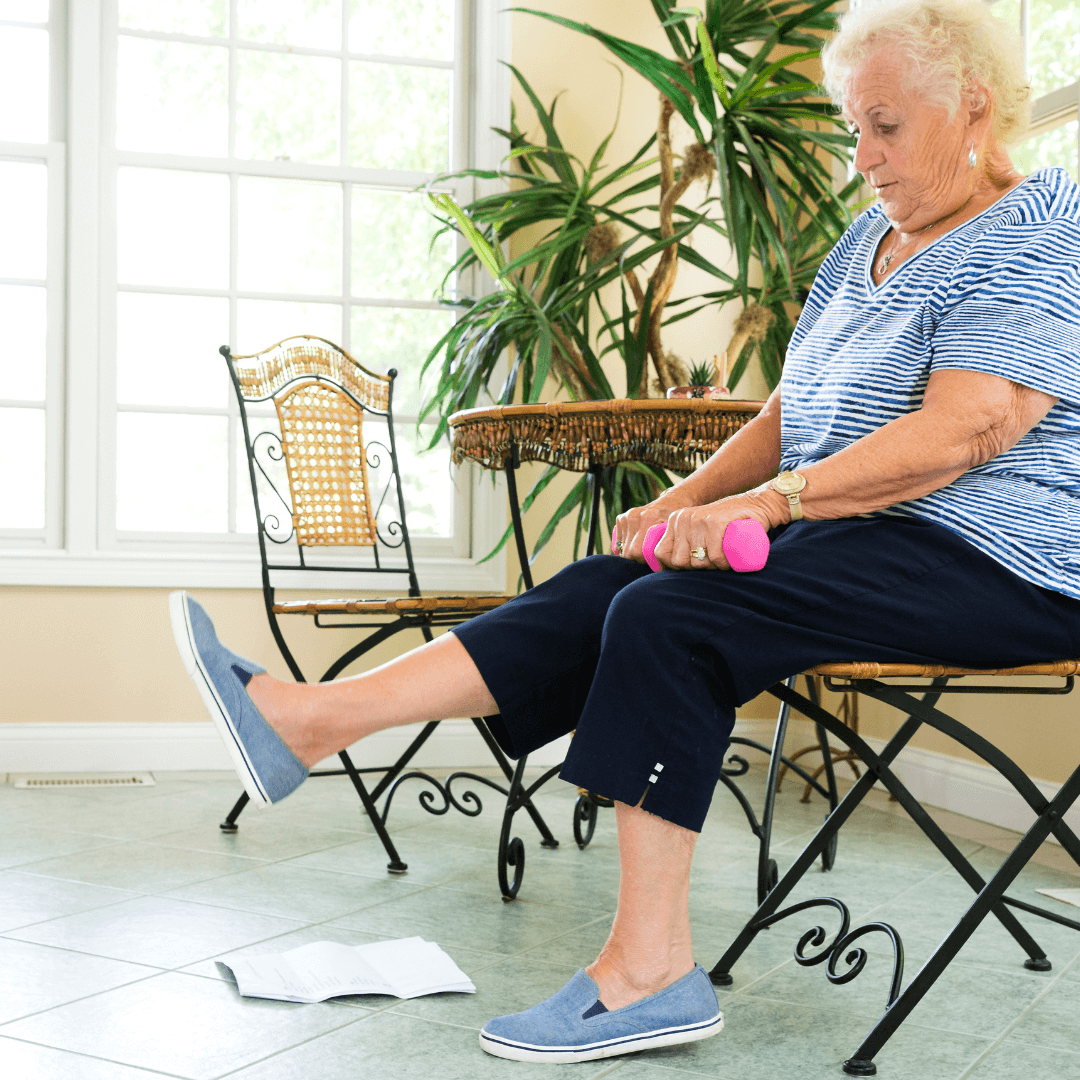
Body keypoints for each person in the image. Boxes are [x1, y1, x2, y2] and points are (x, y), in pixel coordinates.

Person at [169, 0, 1080, 1065]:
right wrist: (688, 499)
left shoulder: (1043, 227)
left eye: (884, 125)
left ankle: (649, 973)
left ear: (973, 103)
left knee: (671, 617)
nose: (862, 153)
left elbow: (969, 427)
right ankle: (311, 722)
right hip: (859, 538)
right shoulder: (867, 235)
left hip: (1001, 559)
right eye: (850, 125)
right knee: (620, 574)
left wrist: (773, 505)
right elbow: (787, 412)